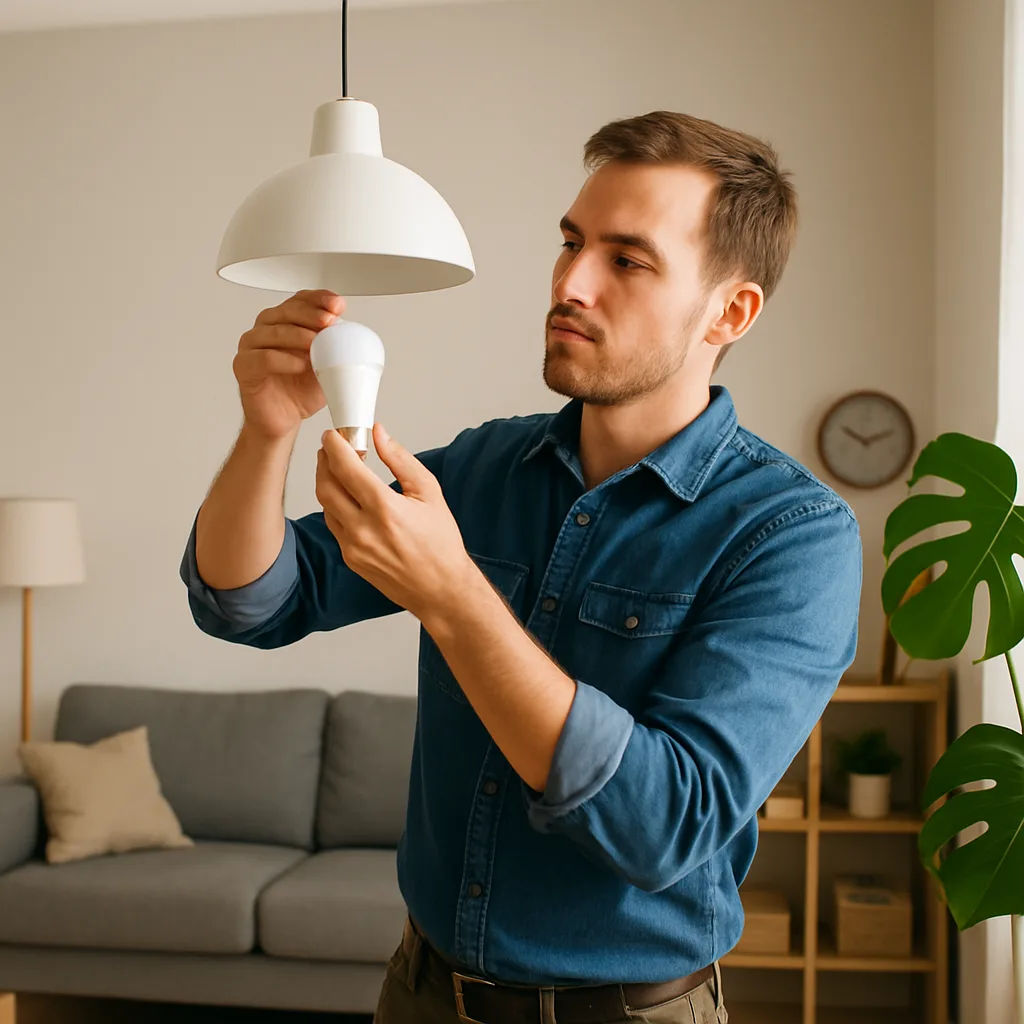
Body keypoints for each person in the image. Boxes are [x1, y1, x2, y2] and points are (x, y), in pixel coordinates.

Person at [181, 110, 862, 1024]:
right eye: (572, 241)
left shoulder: (793, 534)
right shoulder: (485, 468)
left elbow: (666, 822)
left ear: (730, 310)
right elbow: (254, 601)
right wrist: (267, 429)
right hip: (420, 992)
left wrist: (454, 596)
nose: (569, 281)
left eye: (627, 259)